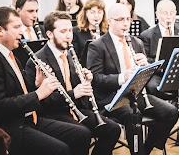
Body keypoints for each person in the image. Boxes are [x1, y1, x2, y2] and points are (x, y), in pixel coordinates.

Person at [0, 7, 91, 155]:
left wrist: (36, 84)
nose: (22, 32)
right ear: (0, 30)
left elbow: (21, 92)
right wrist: (38, 93)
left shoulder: (11, 55)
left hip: (32, 118)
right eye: (17, 27)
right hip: (12, 126)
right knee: (60, 149)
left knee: (82, 134)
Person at [87, 3, 179, 155]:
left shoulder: (137, 42)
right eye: (121, 19)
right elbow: (96, 79)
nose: (126, 23)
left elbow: (145, 78)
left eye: (128, 19)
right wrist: (122, 77)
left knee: (171, 112)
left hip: (135, 94)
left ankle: (146, 148)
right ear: (110, 21)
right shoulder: (98, 46)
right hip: (112, 97)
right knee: (133, 116)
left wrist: (146, 66)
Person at [24, 11, 120, 155]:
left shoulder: (69, 54)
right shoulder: (37, 61)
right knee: (83, 133)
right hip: (54, 114)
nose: (69, 35)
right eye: (63, 31)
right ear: (49, 34)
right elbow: (43, 101)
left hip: (76, 110)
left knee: (112, 129)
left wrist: (86, 79)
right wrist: (75, 92)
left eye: (70, 30)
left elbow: (77, 89)